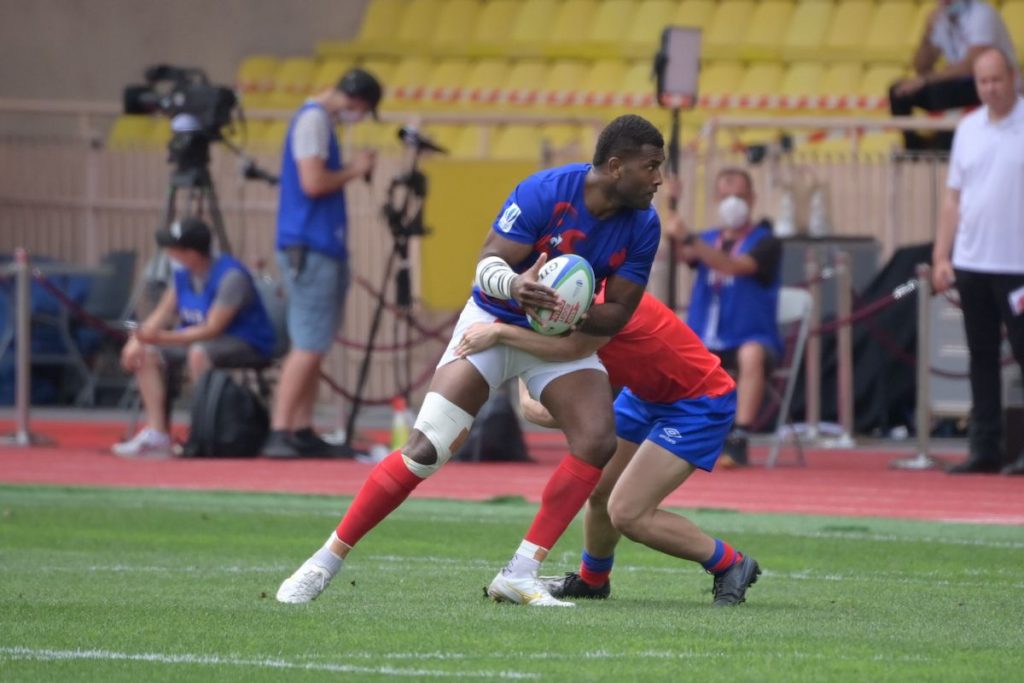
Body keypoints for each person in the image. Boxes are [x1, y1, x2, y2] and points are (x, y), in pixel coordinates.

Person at [275, 114, 665, 606]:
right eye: (651, 167)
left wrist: (571, 305)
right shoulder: (546, 191)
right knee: (426, 449)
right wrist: (518, 286)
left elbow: (619, 314)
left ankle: (522, 571)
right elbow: (487, 264)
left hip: (558, 335)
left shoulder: (644, 224)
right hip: (491, 324)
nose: (658, 179)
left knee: (596, 440)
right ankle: (323, 561)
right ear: (615, 166)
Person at [454, 291, 761, 606]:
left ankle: (731, 564)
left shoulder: (595, 316)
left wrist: (506, 338)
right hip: (644, 395)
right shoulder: (575, 302)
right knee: (600, 490)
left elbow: (544, 413)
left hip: (699, 402)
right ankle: (592, 580)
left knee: (628, 514)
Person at [262, 68, 382, 458]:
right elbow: (313, 182)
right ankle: (282, 428)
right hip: (311, 244)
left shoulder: (317, 121)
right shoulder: (313, 121)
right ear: (356, 100)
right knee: (309, 343)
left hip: (316, 245)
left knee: (313, 342)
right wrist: (355, 169)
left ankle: (300, 427)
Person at [932, 48, 1024, 475]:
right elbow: (953, 198)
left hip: (1018, 266)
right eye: (983, 81)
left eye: (997, 80)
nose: (990, 88)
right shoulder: (968, 128)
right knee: (980, 356)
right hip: (972, 260)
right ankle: (984, 447)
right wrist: (941, 255)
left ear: (1014, 77)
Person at [113, 218, 275, 457]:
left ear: (192, 253)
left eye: (173, 248)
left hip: (244, 341)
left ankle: (203, 430)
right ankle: (158, 434)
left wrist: (161, 337)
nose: (168, 253)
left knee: (199, 352)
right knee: (147, 354)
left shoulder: (231, 277)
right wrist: (139, 340)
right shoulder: (181, 274)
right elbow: (163, 313)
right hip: (193, 339)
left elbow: (212, 329)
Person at [678, 168, 782, 467]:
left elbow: (735, 266)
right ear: (715, 199)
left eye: (739, 196)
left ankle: (739, 436)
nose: (732, 202)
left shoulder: (767, 242)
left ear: (752, 198)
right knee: (675, 353)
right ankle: (686, 432)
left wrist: (689, 238)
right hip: (705, 336)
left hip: (750, 336)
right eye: (725, 196)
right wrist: (672, 204)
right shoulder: (707, 239)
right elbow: (684, 253)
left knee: (751, 356)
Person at [890, 0, 1019, 152]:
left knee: (942, 91)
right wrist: (927, 33)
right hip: (957, 85)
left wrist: (925, 80)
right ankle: (915, 150)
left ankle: (944, 151)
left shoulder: (981, 14)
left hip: (992, 84)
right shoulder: (942, 18)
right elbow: (921, 67)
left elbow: (972, 66)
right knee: (899, 92)